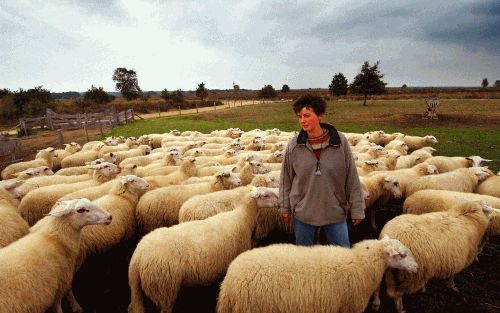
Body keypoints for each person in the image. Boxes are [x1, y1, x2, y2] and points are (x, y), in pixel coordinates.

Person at [279, 94, 365, 247]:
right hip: (304, 212)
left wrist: (357, 208)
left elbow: (351, 177)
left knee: (342, 257)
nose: (302, 121)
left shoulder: (339, 142)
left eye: (307, 115)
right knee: (306, 259)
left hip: (334, 211)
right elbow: (286, 179)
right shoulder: (294, 145)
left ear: (319, 116)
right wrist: (285, 207)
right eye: (300, 116)